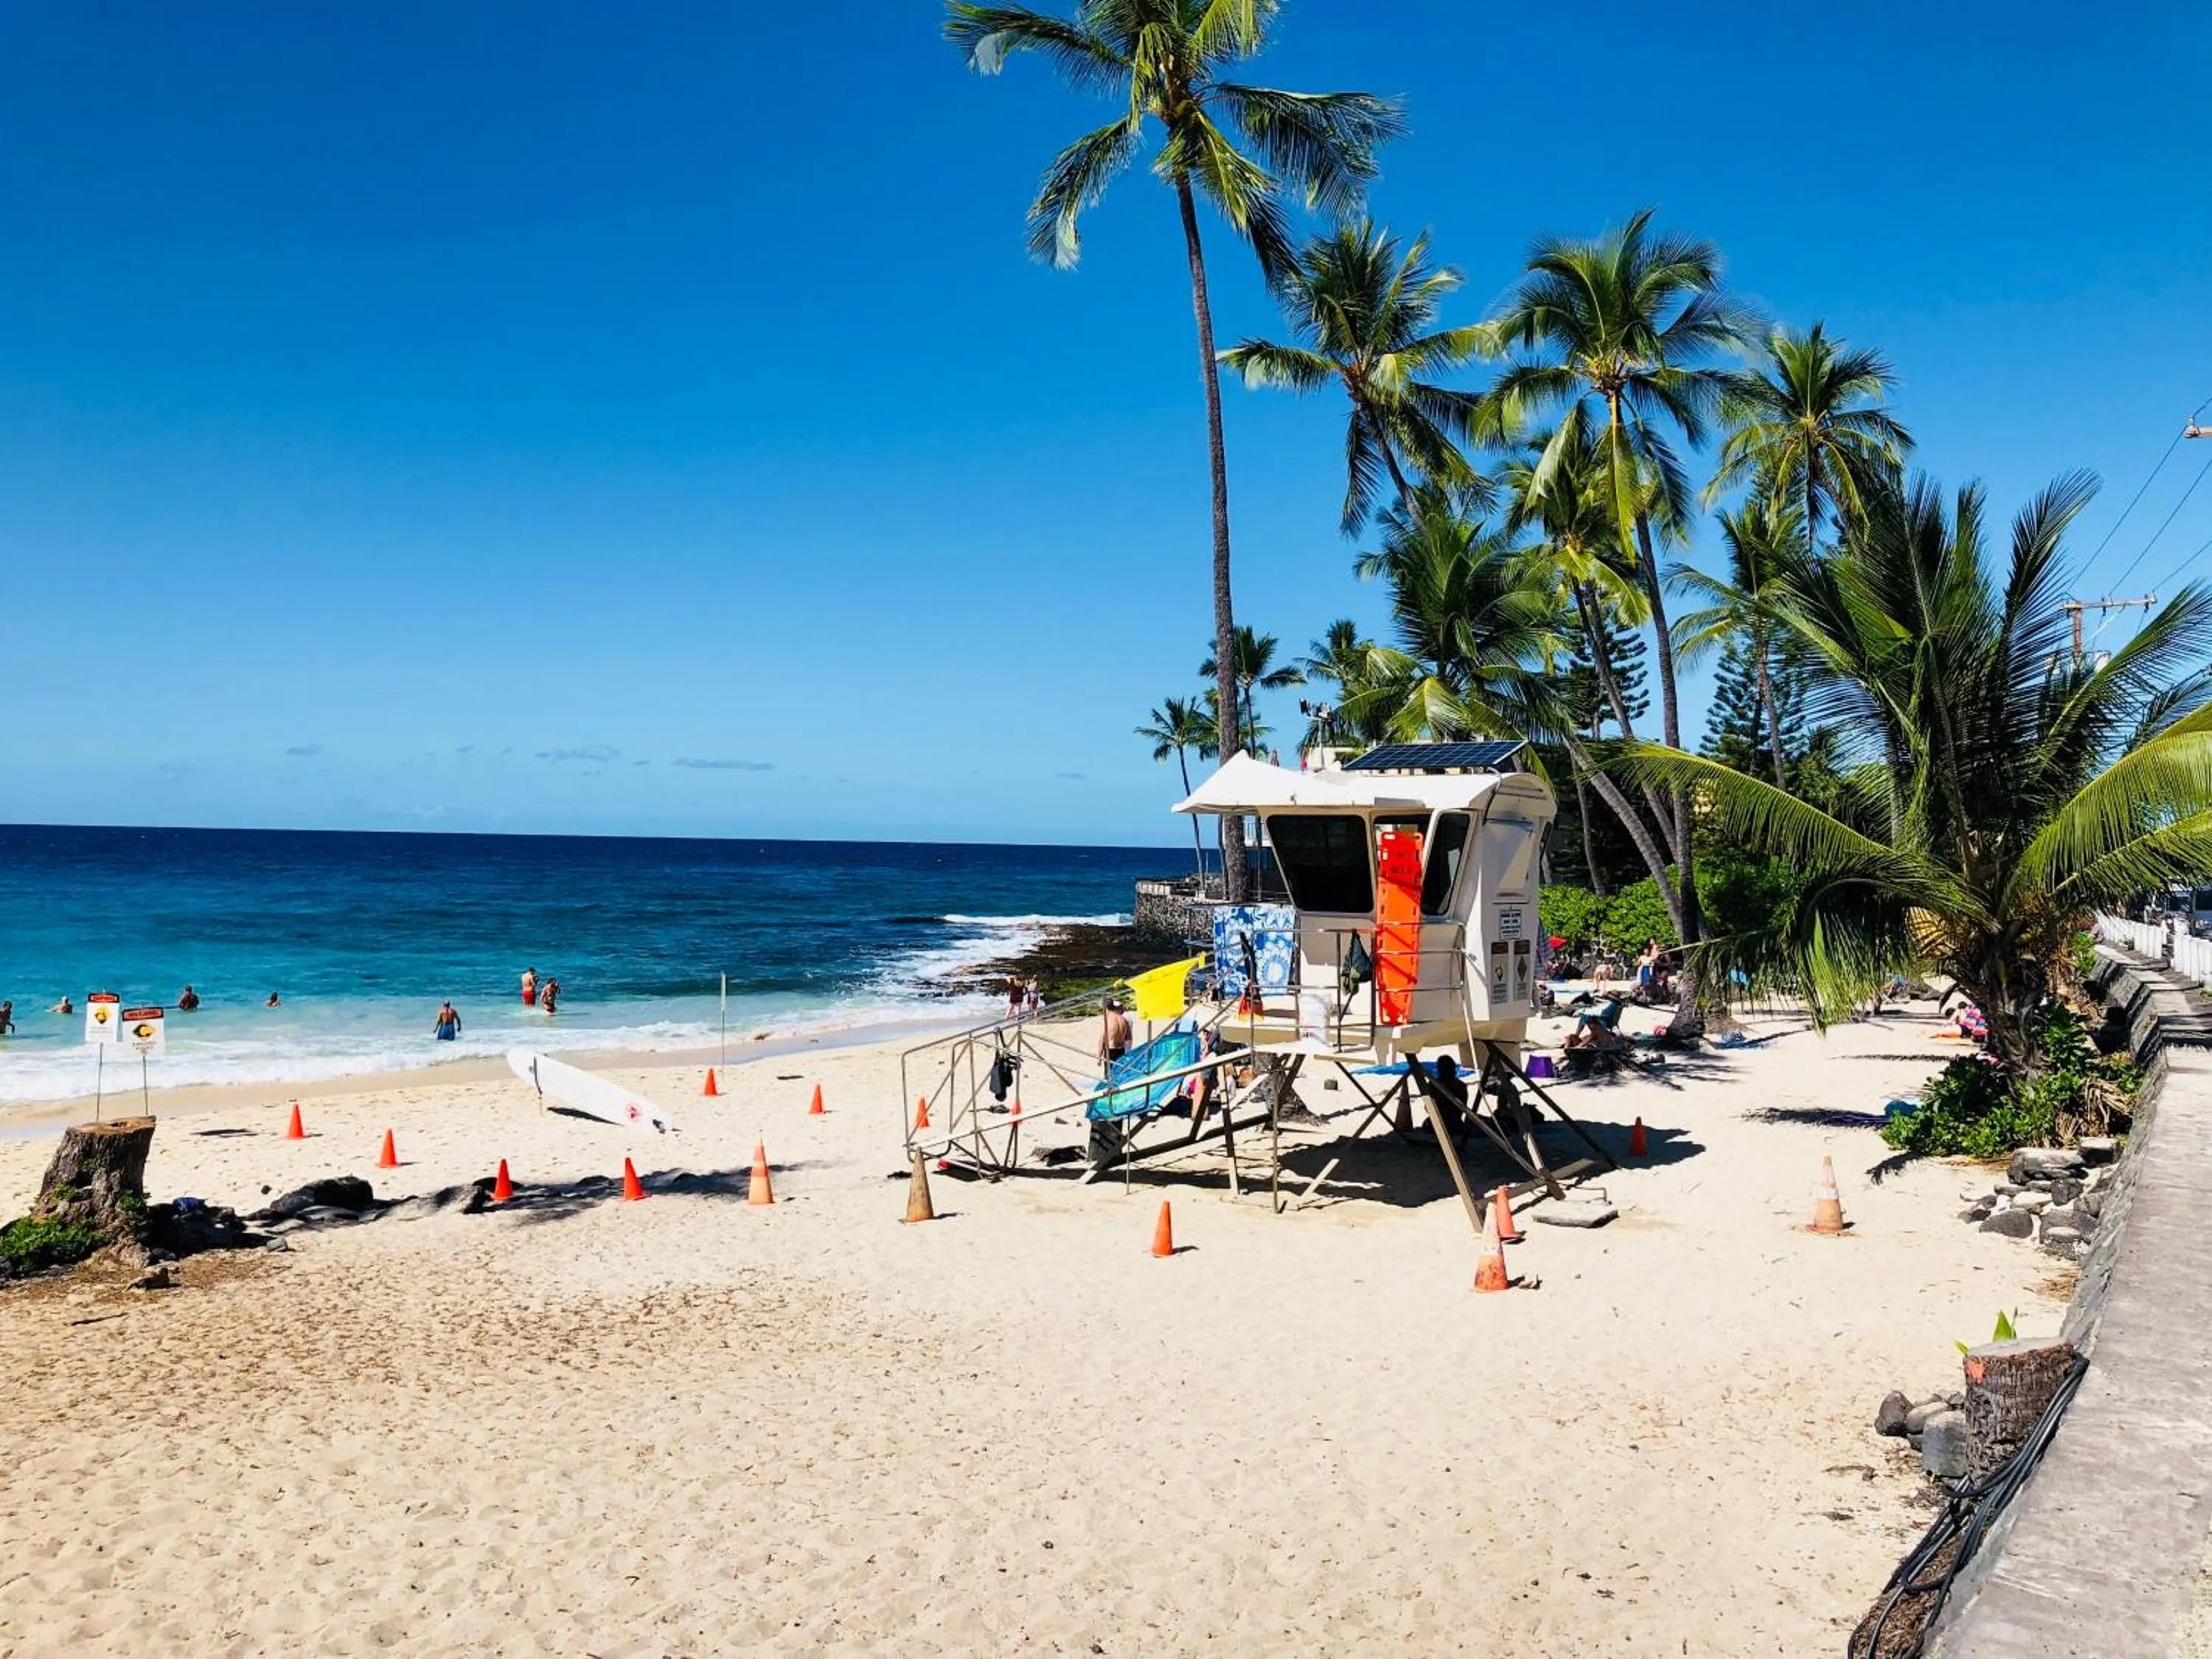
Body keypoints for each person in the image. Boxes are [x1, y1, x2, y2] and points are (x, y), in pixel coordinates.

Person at [1098, 999, 1132, 1069]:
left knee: (1109, 1075)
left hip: (1111, 1051)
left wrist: (1099, 1057)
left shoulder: (1107, 1019)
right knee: (1119, 1073)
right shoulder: (1123, 1019)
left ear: (1105, 1008)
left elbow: (1102, 1040)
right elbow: (1128, 1037)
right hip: (1121, 1050)